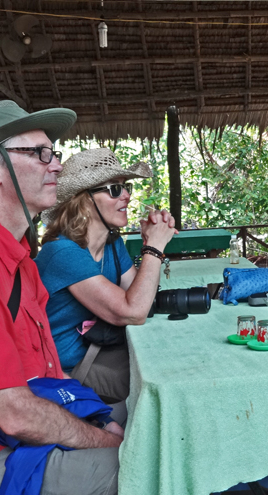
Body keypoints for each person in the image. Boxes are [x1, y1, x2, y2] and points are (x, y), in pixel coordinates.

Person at [0, 101, 123, 495]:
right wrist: (104, 438)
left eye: (54, 154)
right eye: (40, 153)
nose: (56, 165)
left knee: (148, 420)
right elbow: (14, 415)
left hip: (25, 421)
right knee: (146, 466)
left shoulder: (22, 261)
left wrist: (96, 419)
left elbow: (49, 373)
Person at [35, 148, 176, 403]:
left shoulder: (112, 244)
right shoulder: (63, 252)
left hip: (103, 349)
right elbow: (133, 311)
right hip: (66, 371)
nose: (127, 197)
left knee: (172, 356)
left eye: (126, 188)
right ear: (84, 201)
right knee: (166, 380)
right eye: (114, 189)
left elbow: (145, 298)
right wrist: (154, 250)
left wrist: (148, 243)